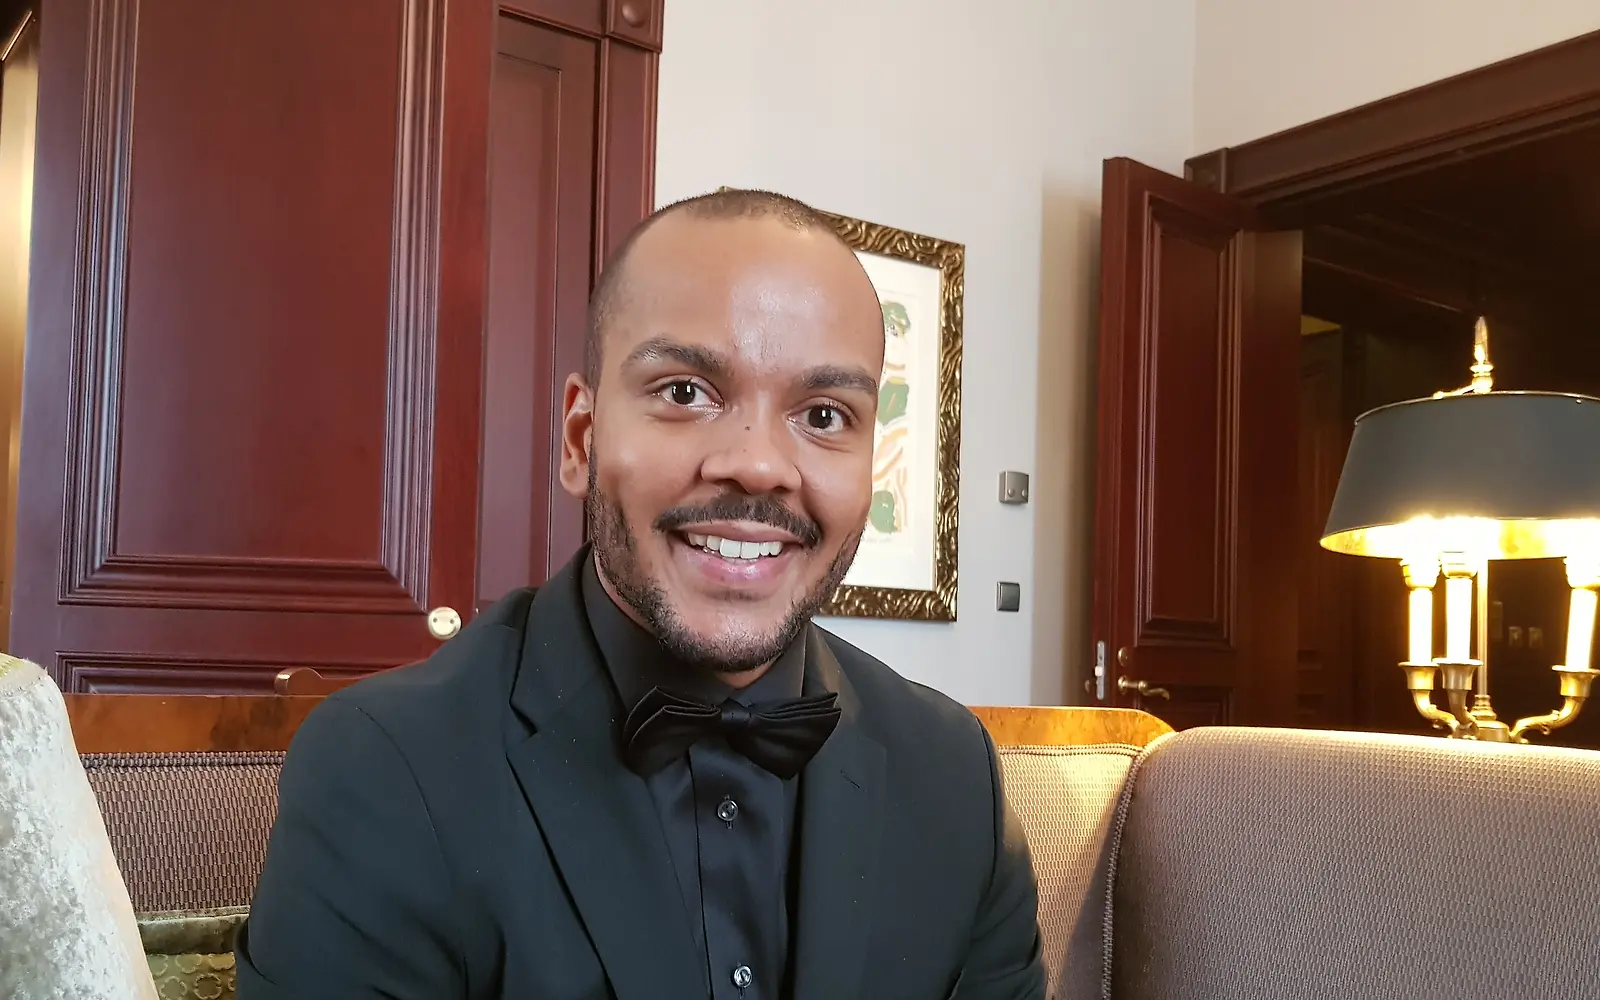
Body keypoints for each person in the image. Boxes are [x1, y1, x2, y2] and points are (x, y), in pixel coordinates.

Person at [236, 189, 1045, 999]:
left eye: (825, 415)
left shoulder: (955, 779)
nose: (758, 465)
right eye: (686, 393)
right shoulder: (383, 770)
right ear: (581, 440)